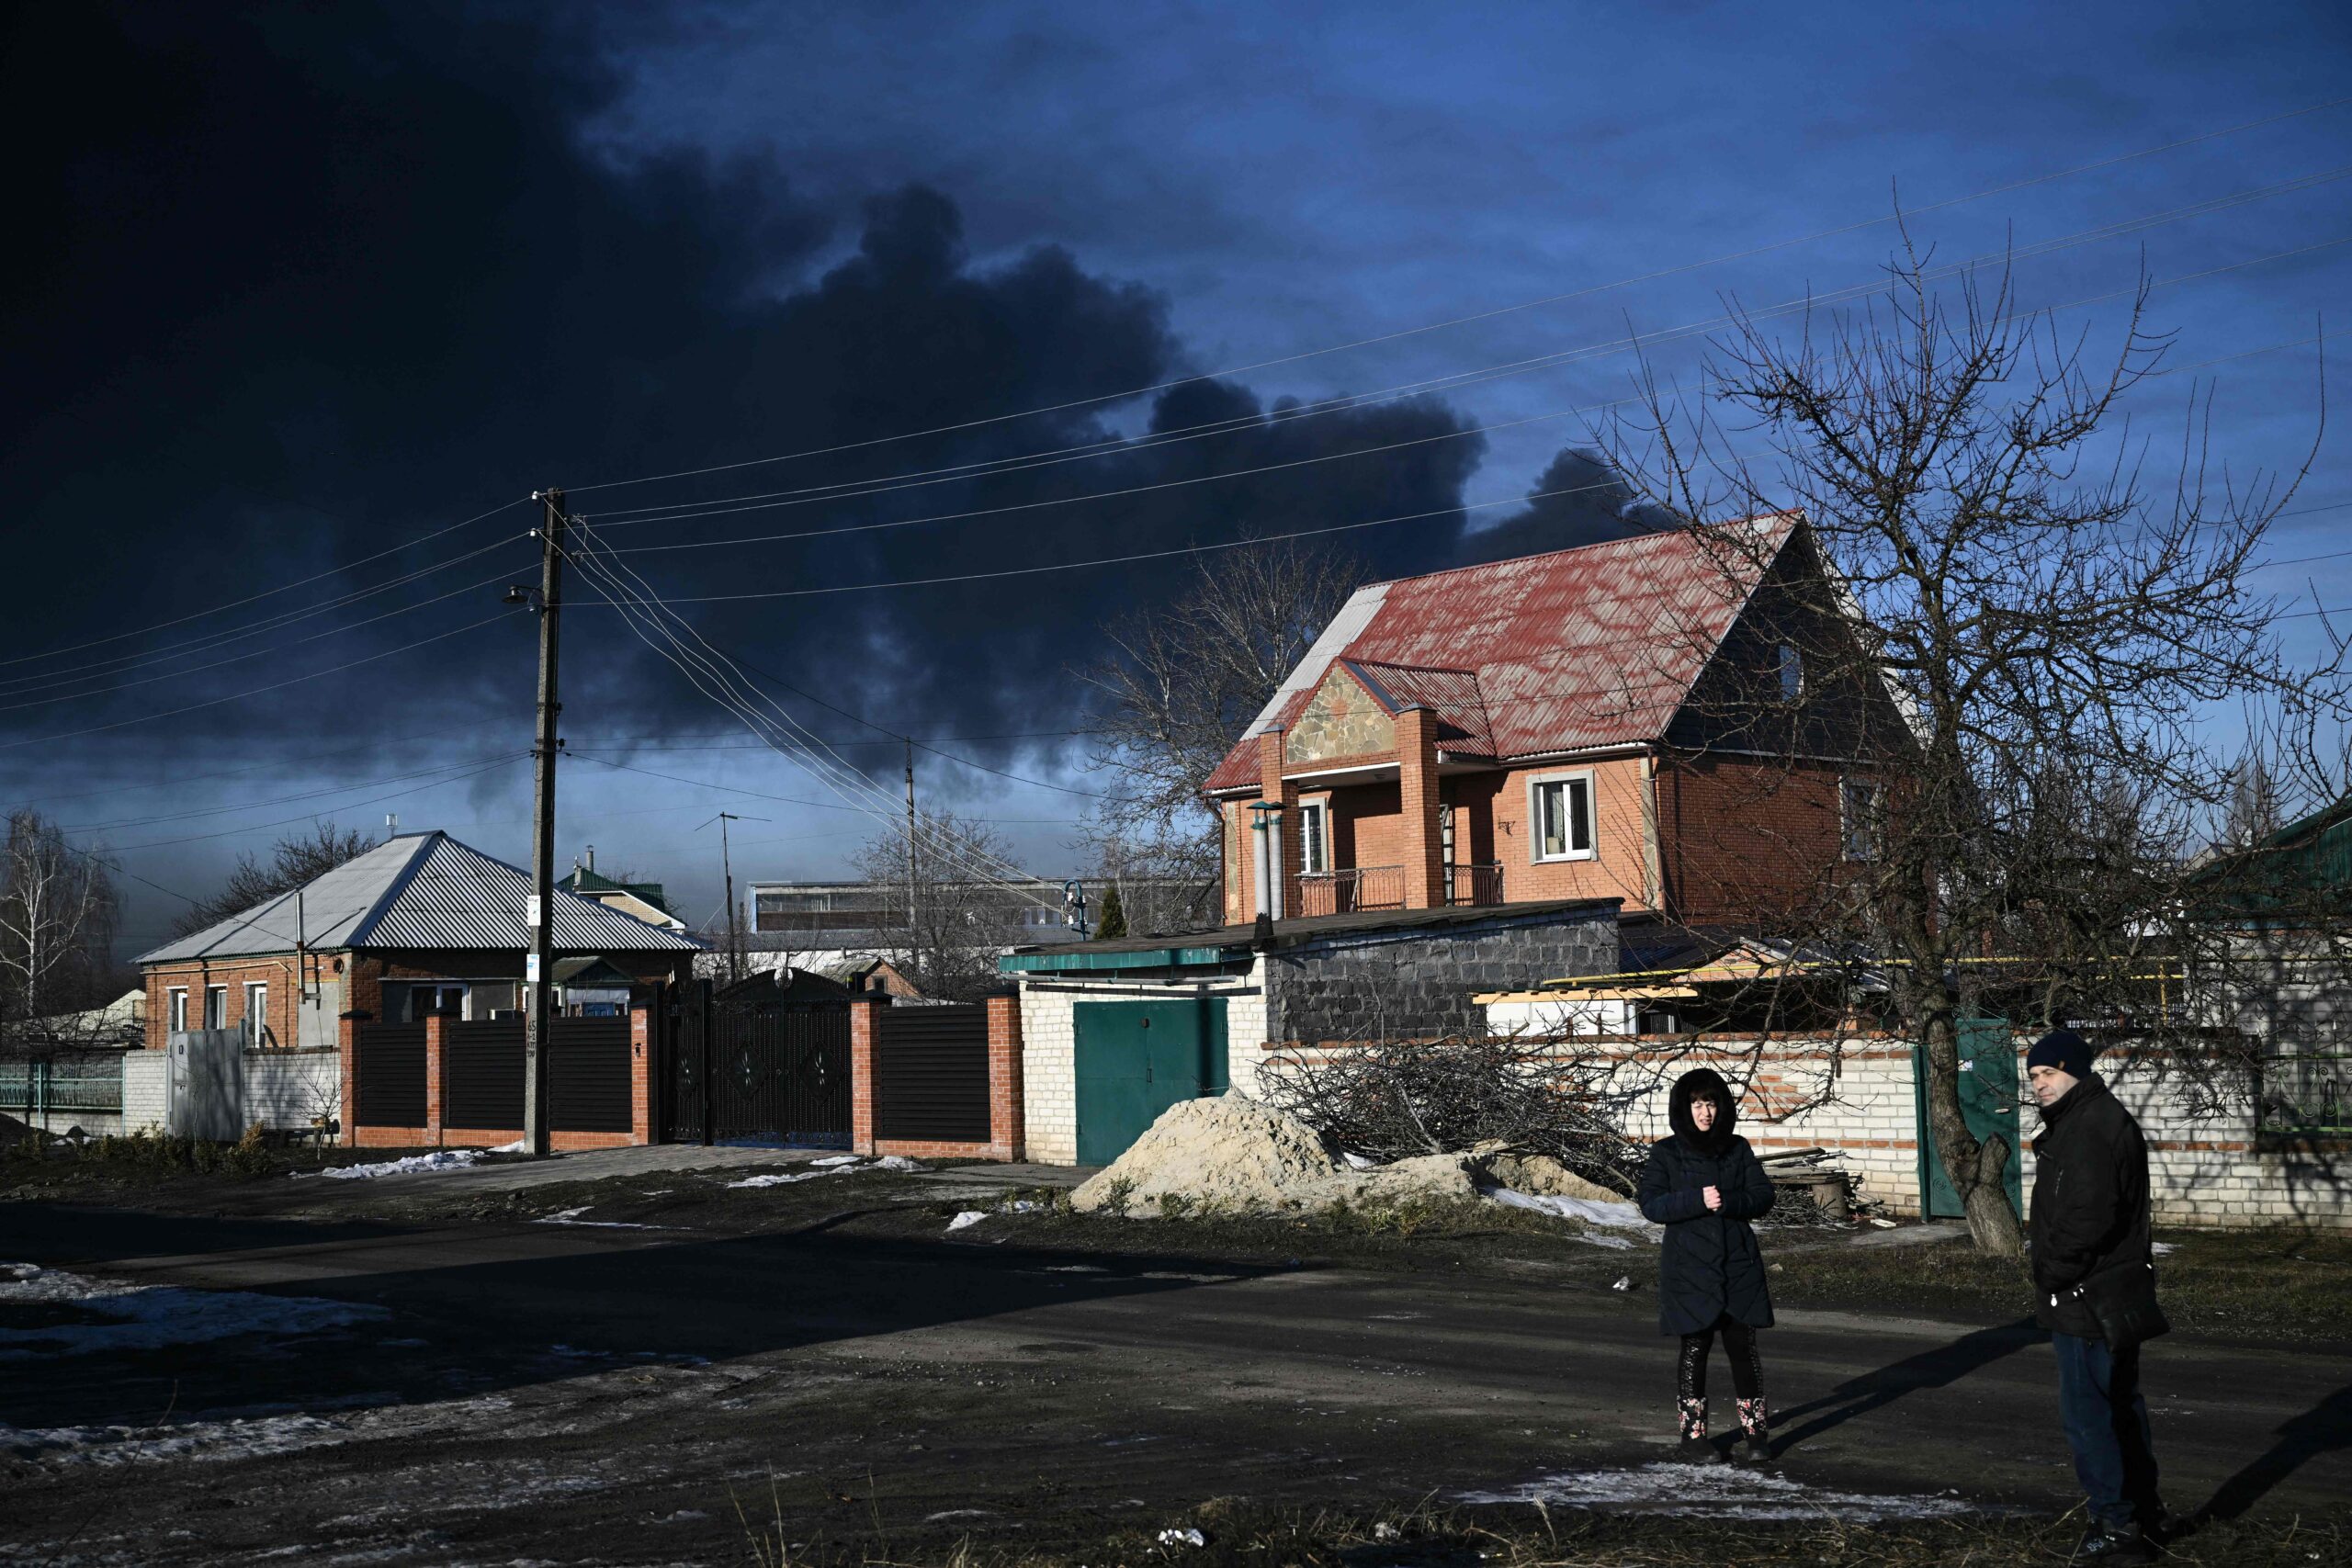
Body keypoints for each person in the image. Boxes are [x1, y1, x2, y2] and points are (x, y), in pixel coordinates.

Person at [2027, 1028, 2168, 1562]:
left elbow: (2087, 1219)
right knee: (2120, 1408)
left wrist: (2051, 1274)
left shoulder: (2087, 1128)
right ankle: (2143, 1514)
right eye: (2035, 1076)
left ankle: (2118, 1526)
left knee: (2090, 1417)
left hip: (2088, 1295)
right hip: (2111, 1291)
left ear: (2076, 1071)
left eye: (2049, 1073)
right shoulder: (2092, 1118)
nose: (2040, 1084)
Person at [1638, 1066, 1779, 1464]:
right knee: (1695, 1347)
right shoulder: (1665, 1153)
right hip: (1688, 1266)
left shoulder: (1738, 1149)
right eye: (1697, 1104)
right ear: (1685, 1108)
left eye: (1711, 1103)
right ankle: (1693, 1438)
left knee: (1743, 1348)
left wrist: (1730, 1201)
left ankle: (1756, 1437)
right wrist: (1696, 1201)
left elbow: (1762, 1196)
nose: (1705, 1113)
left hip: (1737, 1264)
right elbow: (1651, 1204)